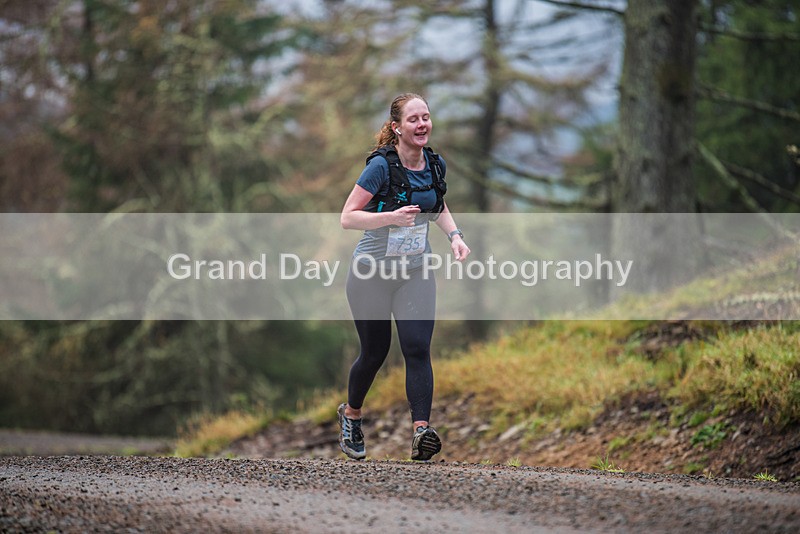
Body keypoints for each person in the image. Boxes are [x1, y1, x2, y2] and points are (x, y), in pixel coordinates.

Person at [338, 93, 470, 461]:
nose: (422, 124)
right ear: (397, 127)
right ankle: (351, 415)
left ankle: (421, 433)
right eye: (413, 119)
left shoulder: (434, 163)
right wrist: (390, 218)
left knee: (416, 347)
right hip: (372, 273)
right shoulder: (381, 167)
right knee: (375, 352)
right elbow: (348, 217)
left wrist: (455, 236)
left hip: (415, 269)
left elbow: (437, 204)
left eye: (426, 117)